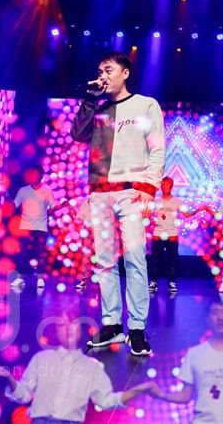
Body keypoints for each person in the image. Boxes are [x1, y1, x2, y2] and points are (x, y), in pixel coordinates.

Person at [71, 51, 165, 356]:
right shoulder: (97, 108)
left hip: (131, 193)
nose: (103, 75)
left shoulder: (145, 104)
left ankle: (136, 328)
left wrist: (150, 186)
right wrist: (88, 99)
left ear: (125, 73)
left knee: (135, 259)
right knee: (105, 262)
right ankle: (111, 324)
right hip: (100, 194)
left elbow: (157, 148)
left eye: (108, 70)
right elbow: (77, 134)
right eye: (100, 70)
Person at [0, 305, 153, 423]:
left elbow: (106, 401)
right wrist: (7, 377)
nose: (68, 328)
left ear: (81, 329)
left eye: (73, 322)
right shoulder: (41, 359)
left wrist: (139, 390)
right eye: (62, 324)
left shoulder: (93, 367)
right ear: (56, 330)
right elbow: (23, 394)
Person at [12, 165, 71, 289]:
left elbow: (53, 206)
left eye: (35, 174)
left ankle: (40, 279)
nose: (33, 176)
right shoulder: (23, 190)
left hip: (40, 228)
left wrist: (62, 205)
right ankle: (20, 279)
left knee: (40, 255)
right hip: (25, 227)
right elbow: (14, 204)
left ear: (41, 176)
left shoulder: (47, 191)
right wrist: (4, 203)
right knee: (22, 254)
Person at [149, 176, 207, 293]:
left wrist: (199, 209)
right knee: (156, 259)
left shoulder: (178, 201)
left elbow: (187, 214)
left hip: (172, 233)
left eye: (167, 184)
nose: (164, 187)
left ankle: (172, 282)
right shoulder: (156, 201)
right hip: (158, 233)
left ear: (171, 186)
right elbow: (148, 213)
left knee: (172, 260)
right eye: (163, 185)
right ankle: (154, 282)